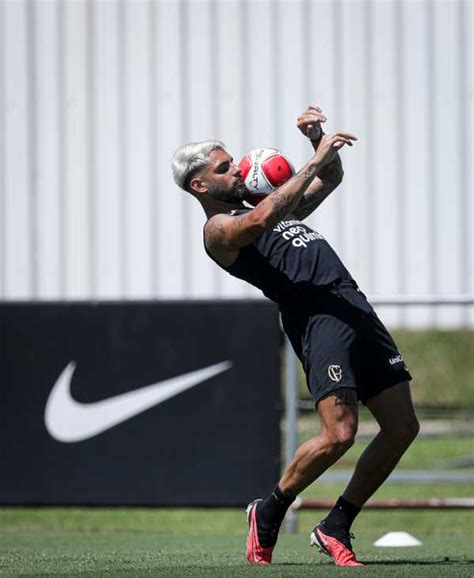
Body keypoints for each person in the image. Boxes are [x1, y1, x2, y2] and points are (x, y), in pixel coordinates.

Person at [171, 105, 419, 567]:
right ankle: (270, 509)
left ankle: (335, 525)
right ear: (200, 185)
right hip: (316, 316)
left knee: (403, 426)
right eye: (226, 167)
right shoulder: (220, 230)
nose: (240, 167)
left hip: (351, 303)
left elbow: (332, 178)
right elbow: (260, 221)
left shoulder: (267, 203)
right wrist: (311, 161)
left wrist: (316, 139)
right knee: (339, 433)